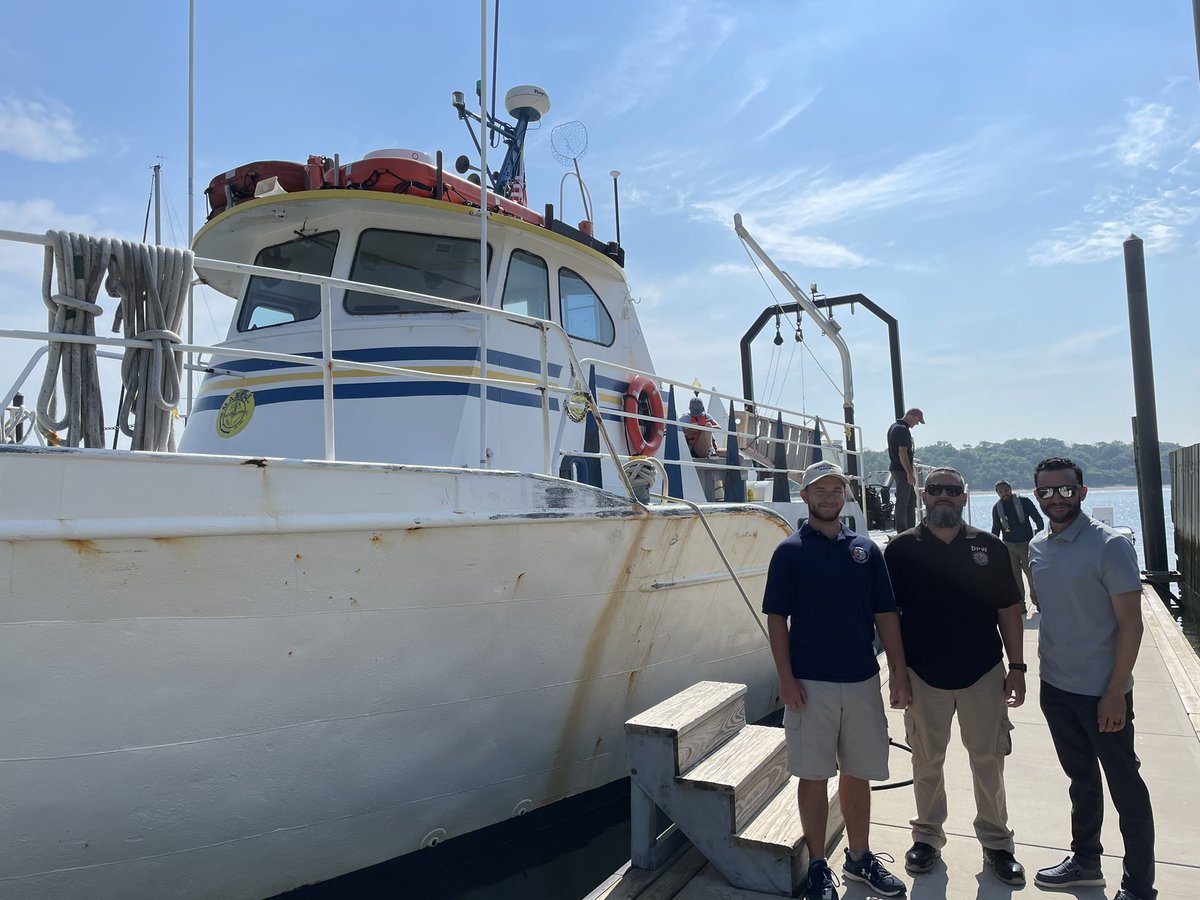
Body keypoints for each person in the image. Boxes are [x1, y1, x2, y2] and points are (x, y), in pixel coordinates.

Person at [762, 460, 912, 900]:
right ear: (805, 496)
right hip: (810, 684)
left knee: (858, 773)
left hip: (863, 679)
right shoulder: (789, 551)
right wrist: (785, 678)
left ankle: (860, 858)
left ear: (845, 495)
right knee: (813, 776)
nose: (829, 497)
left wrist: (898, 671)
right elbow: (776, 620)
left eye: (836, 490)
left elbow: (886, 614)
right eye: (820, 491)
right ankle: (818, 866)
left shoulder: (865, 549)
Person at [883, 467, 1027, 885]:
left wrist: (1016, 667)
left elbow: (1008, 609)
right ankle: (927, 837)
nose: (943, 496)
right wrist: (897, 673)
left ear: (964, 498)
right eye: (935, 490)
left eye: (952, 490)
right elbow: (889, 616)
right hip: (923, 672)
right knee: (928, 759)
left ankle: (997, 844)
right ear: (923, 497)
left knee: (989, 759)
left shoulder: (991, 547)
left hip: (982, 671)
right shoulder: (901, 550)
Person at [1028, 457, 1156, 900]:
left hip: (1103, 693)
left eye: (1065, 490)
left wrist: (1116, 691)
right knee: (1080, 780)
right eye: (1046, 491)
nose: (1055, 499)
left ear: (1083, 493)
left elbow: (1132, 625)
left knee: (1126, 789)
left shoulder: (1110, 545)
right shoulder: (1037, 543)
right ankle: (1085, 862)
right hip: (1056, 688)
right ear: (1036, 495)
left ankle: (1139, 887)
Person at [990, 480, 1045, 614]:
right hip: (1009, 545)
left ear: (1010, 489)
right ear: (997, 493)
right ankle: (1021, 605)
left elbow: (1037, 518)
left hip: (1026, 543)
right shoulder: (997, 508)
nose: (1004, 494)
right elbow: (996, 528)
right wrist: (993, 546)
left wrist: (1039, 535)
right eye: (1001, 492)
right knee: (1015, 578)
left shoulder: (1024, 501)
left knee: (1032, 576)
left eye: (1006, 490)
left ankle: (1038, 603)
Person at [886, 408, 924, 532]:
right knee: (903, 501)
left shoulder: (893, 427)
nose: (917, 424)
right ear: (912, 416)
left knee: (911, 498)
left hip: (896, 468)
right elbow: (902, 453)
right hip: (901, 470)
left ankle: (910, 528)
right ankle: (903, 530)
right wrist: (909, 473)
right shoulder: (903, 430)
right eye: (918, 420)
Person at [680, 397, 725, 501]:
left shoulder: (707, 416)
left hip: (711, 448)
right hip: (696, 449)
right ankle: (710, 451)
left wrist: (706, 428)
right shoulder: (686, 418)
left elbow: (718, 427)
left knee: (737, 456)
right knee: (708, 424)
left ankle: (729, 491)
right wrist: (695, 427)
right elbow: (678, 428)